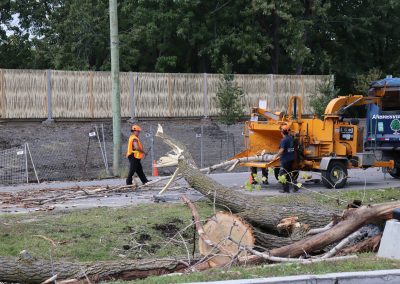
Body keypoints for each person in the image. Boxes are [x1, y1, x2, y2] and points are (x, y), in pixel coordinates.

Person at [276, 124, 297, 193]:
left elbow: (282, 149)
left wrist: (276, 156)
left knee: (283, 174)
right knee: (291, 173)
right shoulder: (291, 138)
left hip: (285, 159)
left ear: (282, 132)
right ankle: (295, 187)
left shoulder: (284, 140)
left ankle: (286, 189)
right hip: (291, 158)